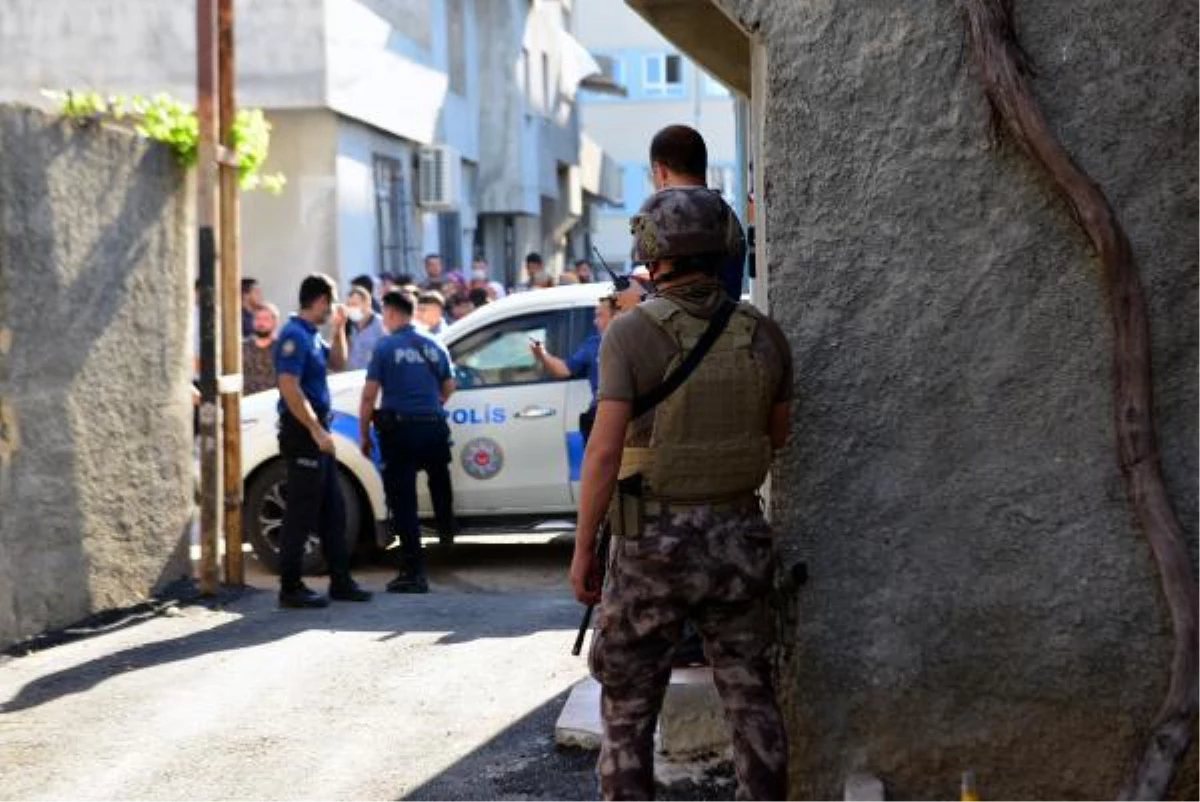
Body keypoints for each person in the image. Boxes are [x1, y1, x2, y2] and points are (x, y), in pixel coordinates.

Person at [572, 187, 792, 800]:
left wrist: (584, 546)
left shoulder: (629, 335)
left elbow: (604, 453)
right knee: (752, 696)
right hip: (738, 537)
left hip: (650, 535)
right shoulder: (764, 335)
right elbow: (777, 437)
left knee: (628, 709)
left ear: (651, 252)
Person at [273, 274, 373, 609]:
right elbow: (288, 385)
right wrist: (315, 430)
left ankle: (341, 582)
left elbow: (338, 363)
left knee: (334, 510)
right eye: (330, 304)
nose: (332, 309)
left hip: (319, 434)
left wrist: (340, 327)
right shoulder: (293, 335)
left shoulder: (313, 335)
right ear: (318, 301)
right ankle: (291, 587)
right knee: (301, 513)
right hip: (304, 433)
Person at [358, 291, 457, 593]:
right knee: (440, 484)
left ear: (389, 313)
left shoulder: (386, 347)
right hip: (433, 427)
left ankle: (414, 572)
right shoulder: (434, 343)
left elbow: (369, 394)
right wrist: (431, 404)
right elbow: (449, 384)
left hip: (400, 432)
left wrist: (364, 434)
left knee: (403, 503)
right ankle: (446, 540)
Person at [649, 125, 746, 301]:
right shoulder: (726, 215)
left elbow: (682, 299)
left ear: (661, 171)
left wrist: (638, 300)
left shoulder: (670, 218)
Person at [530, 296, 616, 442]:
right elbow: (565, 369)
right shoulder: (593, 344)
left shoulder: (630, 343)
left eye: (600, 315)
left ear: (616, 316)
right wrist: (542, 354)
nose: (595, 322)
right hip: (598, 414)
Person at [242, 302, 280, 395]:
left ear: (275, 322)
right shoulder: (242, 348)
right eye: (258, 318)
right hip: (248, 401)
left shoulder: (281, 349)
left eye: (266, 319)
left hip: (273, 401)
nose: (261, 323)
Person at [346, 285, 386, 371]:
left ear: (367, 303)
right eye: (349, 305)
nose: (351, 308)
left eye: (354, 304)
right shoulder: (348, 325)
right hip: (351, 377)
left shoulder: (381, 324)